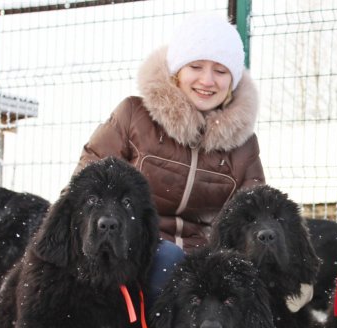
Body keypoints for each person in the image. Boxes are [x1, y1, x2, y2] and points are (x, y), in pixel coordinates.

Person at [77, 14, 264, 304]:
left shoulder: (244, 145)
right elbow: (85, 183)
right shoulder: (133, 116)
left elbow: (256, 213)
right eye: (196, 67)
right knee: (168, 259)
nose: (207, 80)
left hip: (203, 261)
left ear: (233, 79)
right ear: (177, 70)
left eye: (221, 71)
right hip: (131, 249)